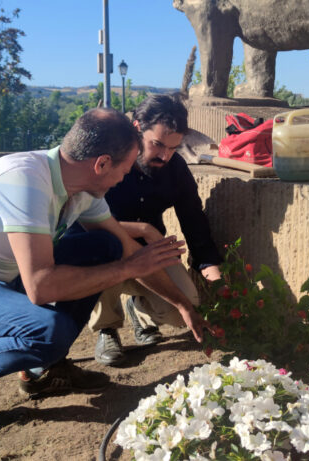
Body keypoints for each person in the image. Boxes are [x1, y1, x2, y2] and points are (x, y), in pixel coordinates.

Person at [0, 107, 207, 434]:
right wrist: (126, 268)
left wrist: (183, 305)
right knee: (47, 333)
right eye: (123, 168)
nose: (125, 177)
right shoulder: (25, 181)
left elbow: (130, 252)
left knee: (106, 246)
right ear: (102, 164)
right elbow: (41, 287)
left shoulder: (82, 190)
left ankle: (48, 370)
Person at [88, 94, 224, 366]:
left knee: (186, 306)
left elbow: (194, 222)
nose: (165, 155)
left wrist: (216, 278)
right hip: (107, 246)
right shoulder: (105, 160)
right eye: (157, 145)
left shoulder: (175, 168)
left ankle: (139, 310)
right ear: (137, 128)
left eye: (174, 148)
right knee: (99, 248)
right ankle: (107, 327)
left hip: (151, 254)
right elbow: (83, 219)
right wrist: (143, 228)